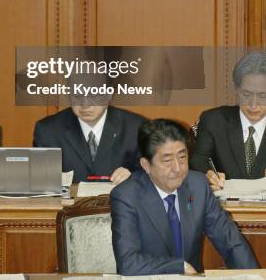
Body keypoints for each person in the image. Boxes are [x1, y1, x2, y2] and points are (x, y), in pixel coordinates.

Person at [110, 118, 258, 275]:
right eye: (167, 160)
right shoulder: (126, 196)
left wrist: (254, 275)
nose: (177, 168)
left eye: (182, 157)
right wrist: (179, 266)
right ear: (146, 165)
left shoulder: (198, 185)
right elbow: (128, 263)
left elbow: (231, 242)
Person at [33, 80, 145, 184]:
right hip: (67, 204)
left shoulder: (136, 127)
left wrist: (133, 177)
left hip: (121, 203)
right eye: (77, 95)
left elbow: (153, 173)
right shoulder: (47, 130)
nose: (85, 104)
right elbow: (39, 180)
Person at [190, 51, 266, 190]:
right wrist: (208, 174)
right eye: (246, 94)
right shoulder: (214, 120)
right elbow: (198, 160)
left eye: (263, 96)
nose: (254, 104)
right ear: (236, 89)